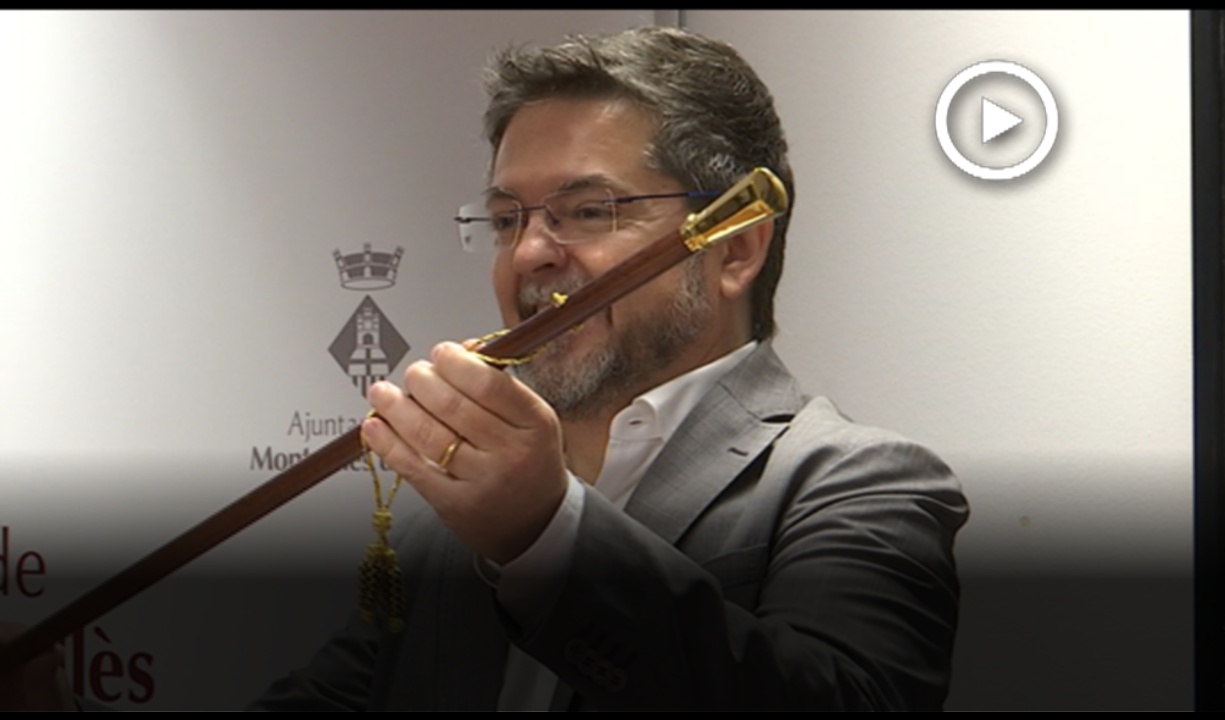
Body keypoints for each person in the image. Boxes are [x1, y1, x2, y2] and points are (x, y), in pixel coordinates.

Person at [3, 26, 966, 711]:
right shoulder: (456, 518)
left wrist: (546, 536)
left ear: (735, 247)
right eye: (507, 218)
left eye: (588, 211)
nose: (531, 253)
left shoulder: (857, 485)